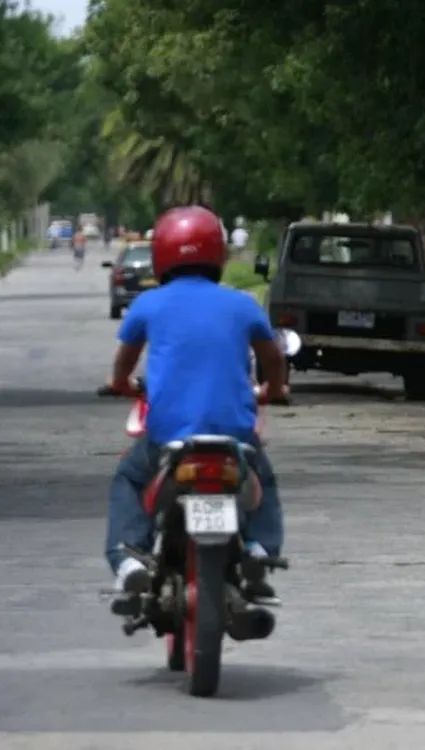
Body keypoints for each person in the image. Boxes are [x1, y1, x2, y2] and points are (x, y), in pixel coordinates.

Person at [103, 205, 289, 601]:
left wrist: (119, 383)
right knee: (264, 480)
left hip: (168, 436)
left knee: (131, 478)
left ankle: (129, 558)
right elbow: (273, 359)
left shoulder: (148, 304)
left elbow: (125, 361)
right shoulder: (242, 304)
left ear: (163, 253)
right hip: (234, 436)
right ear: (219, 253)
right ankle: (259, 549)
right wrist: (274, 389)